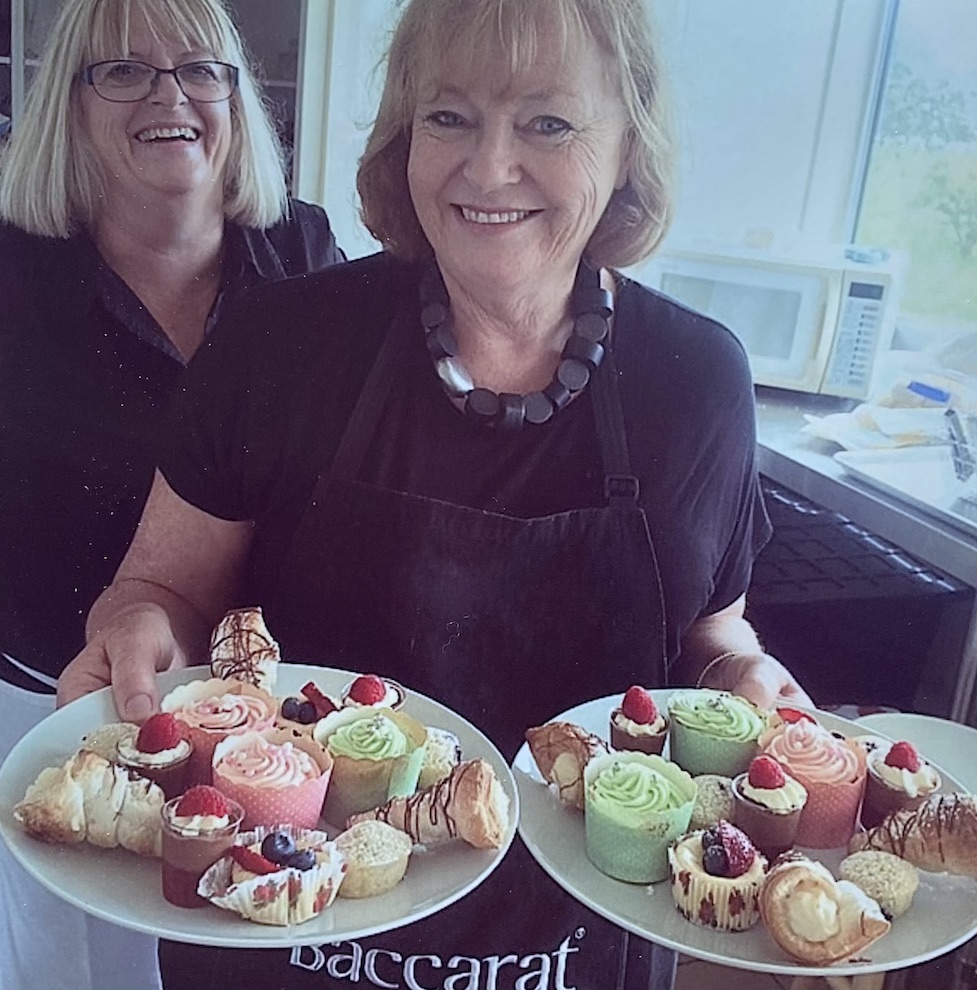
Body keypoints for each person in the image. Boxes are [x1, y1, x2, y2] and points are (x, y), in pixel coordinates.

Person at [59, 0, 811, 986]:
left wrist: (742, 687)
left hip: (567, 945)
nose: (488, 167)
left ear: (628, 145)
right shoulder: (276, 346)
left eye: (546, 122)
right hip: (276, 926)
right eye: (448, 116)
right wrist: (134, 626)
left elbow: (712, 637)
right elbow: (164, 592)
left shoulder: (696, 383)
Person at [0, 0, 343, 986]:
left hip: (259, 713)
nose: (170, 94)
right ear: (69, 104)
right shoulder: (14, 272)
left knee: (237, 953)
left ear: (237, 98)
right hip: (42, 699)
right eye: (123, 71)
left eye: (200, 68)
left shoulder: (308, 258)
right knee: (66, 965)